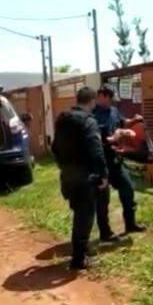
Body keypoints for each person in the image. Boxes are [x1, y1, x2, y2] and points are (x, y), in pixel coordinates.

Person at [51, 87, 108, 270]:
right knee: (85, 217)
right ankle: (78, 259)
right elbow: (96, 150)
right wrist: (103, 174)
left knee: (79, 214)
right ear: (92, 102)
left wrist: (63, 166)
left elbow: (54, 147)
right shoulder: (88, 121)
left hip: (67, 176)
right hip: (84, 177)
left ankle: (81, 251)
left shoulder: (63, 120)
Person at [92, 87, 146, 238]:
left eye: (111, 99)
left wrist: (133, 121)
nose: (109, 101)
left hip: (115, 160)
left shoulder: (114, 111)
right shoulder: (92, 115)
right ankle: (105, 232)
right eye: (108, 98)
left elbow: (123, 123)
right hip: (100, 161)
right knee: (103, 199)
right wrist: (112, 138)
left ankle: (130, 224)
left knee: (127, 189)